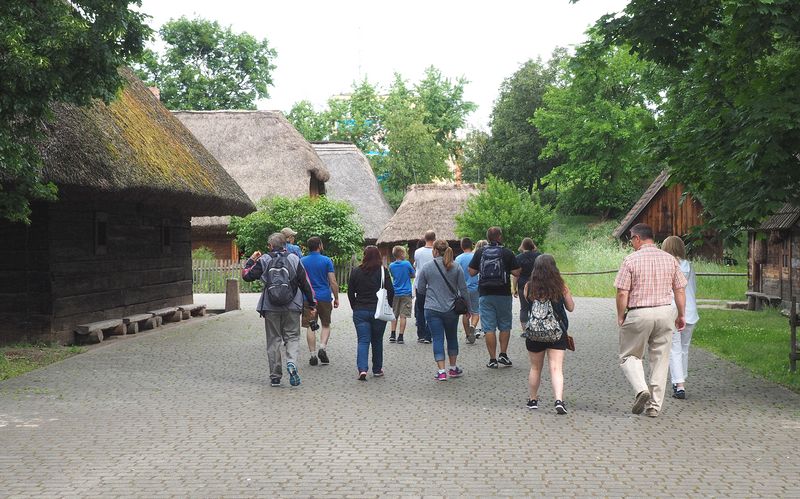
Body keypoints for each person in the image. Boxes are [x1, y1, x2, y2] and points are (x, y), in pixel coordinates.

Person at [615, 223, 687, 417]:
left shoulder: (630, 260)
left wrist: (621, 315)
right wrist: (681, 314)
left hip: (639, 313)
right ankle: (654, 407)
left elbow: (622, 292)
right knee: (660, 360)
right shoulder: (670, 260)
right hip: (665, 313)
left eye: (631, 239)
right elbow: (679, 289)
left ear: (637, 238)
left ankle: (640, 389)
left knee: (629, 355)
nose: (631, 243)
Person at [242, 232, 317, 387]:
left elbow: (246, 276)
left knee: (274, 340)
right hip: (293, 306)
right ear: (285, 245)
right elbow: (305, 284)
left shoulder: (265, 259)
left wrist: (251, 260)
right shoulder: (294, 259)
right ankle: (291, 362)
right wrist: (312, 304)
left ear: (270, 246)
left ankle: (275, 376)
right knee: (292, 337)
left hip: (270, 306)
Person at [523, 254, 575, 414]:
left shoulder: (528, 287)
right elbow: (571, 307)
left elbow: (528, 306)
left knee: (535, 368)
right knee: (556, 368)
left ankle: (533, 400)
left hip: (535, 333)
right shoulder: (560, 286)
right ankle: (558, 400)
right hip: (556, 332)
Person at [416, 239, 471, 380]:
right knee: (452, 337)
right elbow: (463, 290)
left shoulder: (427, 267)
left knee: (438, 338)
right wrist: (468, 309)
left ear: (434, 251)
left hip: (432, 308)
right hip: (451, 309)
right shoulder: (456, 267)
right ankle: (453, 368)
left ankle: (441, 372)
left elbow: (420, 289)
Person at [468, 227, 521, 368]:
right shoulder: (507, 252)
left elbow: (471, 272)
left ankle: (492, 359)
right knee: (504, 325)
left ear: (488, 237)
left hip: (485, 294)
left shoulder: (480, 252)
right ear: (500, 237)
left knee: (489, 328)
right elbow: (516, 272)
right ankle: (503, 355)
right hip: (503, 294)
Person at [348, 245, 394, 380]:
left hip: (360, 310)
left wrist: (354, 306)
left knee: (363, 341)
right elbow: (391, 291)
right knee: (377, 340)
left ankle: (362, 369)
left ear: (364, 256)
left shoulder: (356, 271)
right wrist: (389, 306)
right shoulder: (383, 271)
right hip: (378, 311)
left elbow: (350, 291)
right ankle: (377, 369)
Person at [662, 235, 699, 400]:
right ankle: (681, 379)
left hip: (674, 311)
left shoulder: (667, 266)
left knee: (674, 349)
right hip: (691, 311)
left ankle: (679, 384)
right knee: (684, 349)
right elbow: (693, 289)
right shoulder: (689, 266)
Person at [301, 236, 339, 366]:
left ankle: (312, 355)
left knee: (311, 326)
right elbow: (333, 281)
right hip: (324, 297)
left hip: (308, 298)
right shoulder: (326, 261)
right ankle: (322, 347)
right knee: (326, 324)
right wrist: (336, 297)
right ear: (320, 246)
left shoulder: (302, 261)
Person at [512, 238, 542, 332]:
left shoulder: (519, 258)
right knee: (537, 306)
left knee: (524, 308)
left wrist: (514, 288)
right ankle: (537, 328)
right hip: (537, 284)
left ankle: (525, 330)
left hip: (522, 284)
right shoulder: (539, 256)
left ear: (522, 246)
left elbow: (516, 275)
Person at [454, 237, 480, 344]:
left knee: (466, 313)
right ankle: (473, 326)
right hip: (475, 287)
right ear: (472, 245)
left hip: (462, 289)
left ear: (461, 246)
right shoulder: (476, 256)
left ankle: (468, 335)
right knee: (475, 311)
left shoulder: (458, 259)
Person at [389, 245, 415, 344]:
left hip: (395, 292)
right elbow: (413, 274)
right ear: (401, 254)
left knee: (394, 314)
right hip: (406, 293)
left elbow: (393, 275)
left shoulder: (391, 265)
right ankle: (400, 336)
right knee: (403, 315)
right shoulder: (407, 264)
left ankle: (392, 334)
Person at [413, 231, 436, 343]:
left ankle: (420, 334)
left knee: (420, 310)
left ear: (425, 238)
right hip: (433, 284)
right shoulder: (435, 252)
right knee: (431, 309)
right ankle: (428, 335)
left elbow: (416, 266)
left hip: (419, 284)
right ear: (434, 239)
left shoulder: (417, 252)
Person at [472, 239, 488, 339]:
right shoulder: (487, 257)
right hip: (483, 286)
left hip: (471, 286)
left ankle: (474, 328)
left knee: (473, 310)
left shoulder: (473, 257)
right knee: (484, 309)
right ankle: (486, 328)